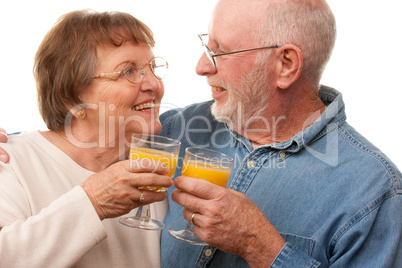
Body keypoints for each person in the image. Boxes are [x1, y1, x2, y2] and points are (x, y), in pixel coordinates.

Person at [157, 0, 402, 267]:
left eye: (221, 52)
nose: (201, 66)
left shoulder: (376, 192)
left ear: (286, 65)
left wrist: (261, 247)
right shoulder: (177, 128)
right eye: (207, 45)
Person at [0, 10, 173, 267]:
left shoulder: (159, 168)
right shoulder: (10, 162)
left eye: (153, 68)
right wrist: (94, 201)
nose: (154, 85)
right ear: (71, 99)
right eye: (128, 71)